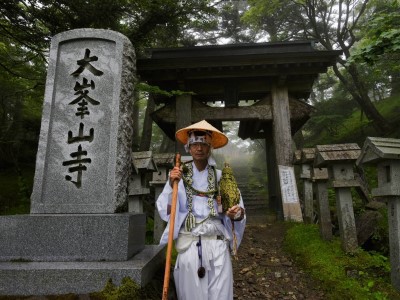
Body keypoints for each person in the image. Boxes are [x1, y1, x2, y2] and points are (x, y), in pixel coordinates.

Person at [156, 120, 246, 300]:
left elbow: (238, 209)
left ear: (210, 147)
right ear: (188, 147)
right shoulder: (179, 176)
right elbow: (166, 211)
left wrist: (237, 214)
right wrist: (170, 183)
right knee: (191, 295)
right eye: (195, 144)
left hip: (218, 242)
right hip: (189, 243)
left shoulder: (222, 177)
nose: (199, 148)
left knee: (220, 295)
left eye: (203, 143)